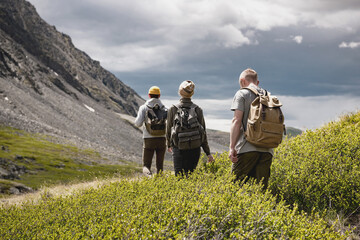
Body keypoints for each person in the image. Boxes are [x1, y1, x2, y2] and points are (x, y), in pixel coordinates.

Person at [229, 68, 273, 189]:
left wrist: (232, 147)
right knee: (261, 191)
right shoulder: (268, 95)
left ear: (242, 81)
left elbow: (236, 121)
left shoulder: (242, 93)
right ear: (257, 82)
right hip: (267, 149)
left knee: (234, 187)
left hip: (246, 147)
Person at [166, 80, 214, 176]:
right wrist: (208, 153)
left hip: (178, 147)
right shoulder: (198, 109)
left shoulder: (173, 109)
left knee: (179, 177)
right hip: (195, 147)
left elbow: (168, 129)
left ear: (180, 92)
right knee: (190, 177)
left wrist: (169, 144)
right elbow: (203, 133)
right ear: (192, 93)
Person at [135, 86, 167, 177]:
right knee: (160, 166)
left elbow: (138, 123)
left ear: (149, 95)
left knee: (146, 165)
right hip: (162, 139)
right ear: (159, 96)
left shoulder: (144, 108)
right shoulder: (165, 109)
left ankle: (150, 179)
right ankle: (160, 184)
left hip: (148, 139)